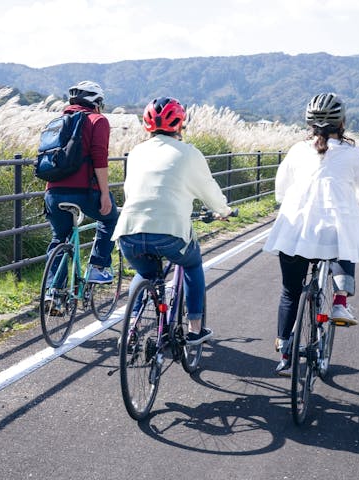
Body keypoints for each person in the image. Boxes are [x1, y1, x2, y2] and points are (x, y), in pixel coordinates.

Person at [262, 92, 359, 376]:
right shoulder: (353, 154)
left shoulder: (297, 150)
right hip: (333, 231)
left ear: (309, 123)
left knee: (290, 291)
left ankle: (284, 349)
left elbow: (281, 189)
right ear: (342, 122)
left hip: (296, 231)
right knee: (347, 231)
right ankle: (340, 300)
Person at [112, 97, 232, 345]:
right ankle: (195, 328)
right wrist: (223, 210)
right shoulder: (189, 153)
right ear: (180, 124)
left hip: (128, 232)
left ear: (147, 125)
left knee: (145, 271)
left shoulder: (135, 152)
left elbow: (131, 190)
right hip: (170, 235)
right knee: (192, 264)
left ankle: (131, 329)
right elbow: (209, 190)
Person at [44, 81, 119, 286]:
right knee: (111, 219)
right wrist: (104, 193)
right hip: (85, 192)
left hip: (53, 193)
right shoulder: (98, 120)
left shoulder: (58, 121)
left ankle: (54, 293)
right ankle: (97, 267)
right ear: (96, 101)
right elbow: (99, 158)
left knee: (60, 238)